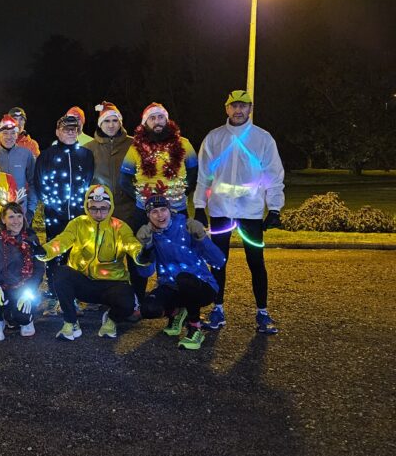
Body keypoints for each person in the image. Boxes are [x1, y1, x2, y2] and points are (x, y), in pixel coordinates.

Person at [193, 90, 285, 334]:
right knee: (218, 262)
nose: (238, 110)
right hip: (220, 210)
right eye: (234, 106)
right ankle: (217, 309)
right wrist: (200, 206)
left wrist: (274, 208)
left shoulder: (263, 139)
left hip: (250, 211)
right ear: (226, 109)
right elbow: (204, 176)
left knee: (256, 262)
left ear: (250, 108)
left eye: (243, 106)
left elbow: (274, 175)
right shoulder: (214, 138)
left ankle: (262, 312)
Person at [38, 185, 145, 341]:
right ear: (87, 207)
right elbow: (62, 241)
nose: (98, 213)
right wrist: (45, 251)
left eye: (103, 208)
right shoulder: (78, 223)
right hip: (83, 282)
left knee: (127, 303)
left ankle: (111, 319)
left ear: (110, 207)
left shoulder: (120, 227)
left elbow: (131, 244)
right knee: (61, 273)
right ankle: (71, 321)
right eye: (93, 208)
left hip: (111, 284)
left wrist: (140, 254)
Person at [119, 102, 198, 299]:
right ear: (145, 123)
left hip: (176, 210)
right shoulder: (135, 148)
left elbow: (194, 173)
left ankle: (177, 302)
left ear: (167, 120)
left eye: (160, 117)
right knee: (140, 255)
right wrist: (142, 198)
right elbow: (124, 179)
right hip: (144, 211)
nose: (157, 121)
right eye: (152, 118)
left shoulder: (184, 144)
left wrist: (180, 193)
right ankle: (138, 299)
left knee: (179, 256)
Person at [135, 194, 225, 350]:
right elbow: (145, 273)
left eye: (163, 210)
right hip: (171, 286)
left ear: (170, 210)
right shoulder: (150, 234)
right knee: (148, 309)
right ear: (148, 215)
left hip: (201, 286)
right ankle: (177, 313)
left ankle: (195, 328)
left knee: (184, 280)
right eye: (154, 212)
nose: (160, 215)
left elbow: (219, 261)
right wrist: (146, 248)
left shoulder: (187, 227)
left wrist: (201, 237)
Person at [33, 115, 94, 295]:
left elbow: (88, 180)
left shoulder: (86, 155)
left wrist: (81, 205)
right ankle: (54, 288)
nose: (70, 132)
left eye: (74, 129)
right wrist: (52, 205)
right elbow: (39, 183)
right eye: (66, 129)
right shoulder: (47, 155)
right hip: (54, 215)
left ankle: (77, 289)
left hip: (78, 213)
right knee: (54, 250)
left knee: (78, 250)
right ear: (58, 132)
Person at [0, 202, 46, 341]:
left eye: (19, 216)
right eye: (11, 217)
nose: (16, 221)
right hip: (4, 287)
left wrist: (29, 290)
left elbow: (39, 268)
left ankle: (26, 320)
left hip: (24, 287)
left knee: (22, 316)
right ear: (3, 219)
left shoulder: (31, 238)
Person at [0, 115, 37, 221]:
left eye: (13, 133)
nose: (9, 137)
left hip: (21, 212)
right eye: (5, 133)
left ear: (17, 135)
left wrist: (31, 209)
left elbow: (33, 182)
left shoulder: (26, 154)